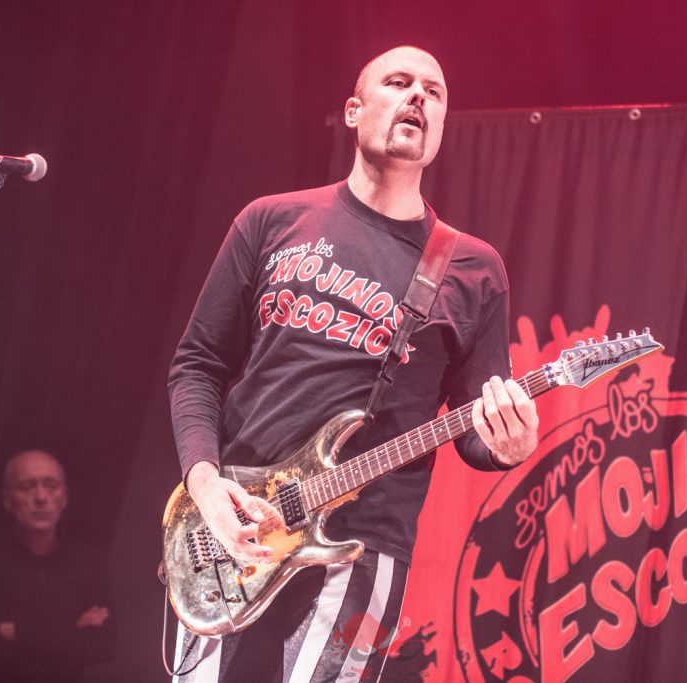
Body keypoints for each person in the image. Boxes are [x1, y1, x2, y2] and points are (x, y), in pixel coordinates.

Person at [168, 45, 538, 682]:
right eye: (398, 82)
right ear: (353, 111)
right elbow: (197, 364)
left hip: (365, 545)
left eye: (434, 91)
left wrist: (509, 446)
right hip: (235, 528)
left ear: (440, 127)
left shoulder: (472, 268)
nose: (417, 96)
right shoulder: (270, 220)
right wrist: (204, 483)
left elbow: (476, 431)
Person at [0, 449, 114, 682]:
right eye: (27, 487)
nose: (41, 497)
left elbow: (103, 645)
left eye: (51, 485)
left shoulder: (88, 563)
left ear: (64, 497)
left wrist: (17, 631)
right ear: (7, 500)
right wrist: (69, 629)